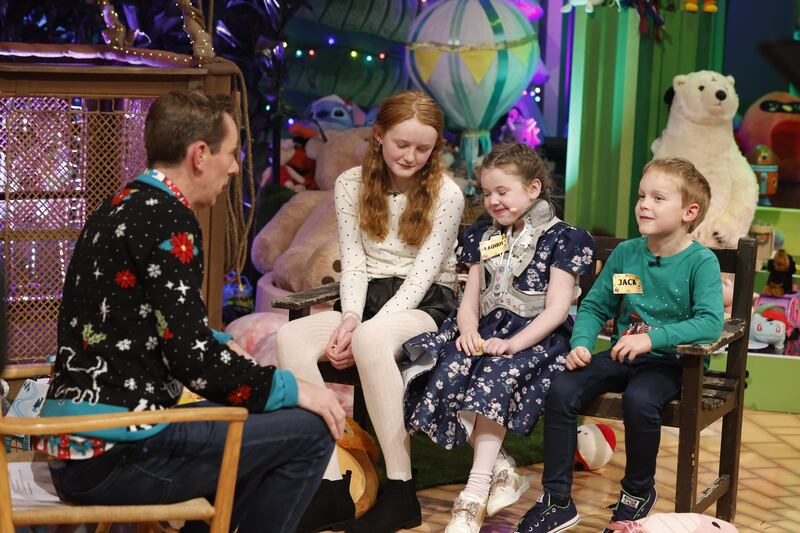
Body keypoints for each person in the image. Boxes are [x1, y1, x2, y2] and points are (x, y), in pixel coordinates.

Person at [35, 90, 345, 533]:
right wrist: (293, 388)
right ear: (200, 154)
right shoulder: (168, 219)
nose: (237, 166)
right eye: (232, 153)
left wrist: (219, 344)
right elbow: (194, 363)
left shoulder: (119, 205)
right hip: (114, 453)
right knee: (309, 431)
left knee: (252, 432)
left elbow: (133, 323)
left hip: (79, 445)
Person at [275, 90, 465, 533]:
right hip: (366, 299)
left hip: (424, 303)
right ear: (378, 136)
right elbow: (355, 265)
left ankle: (402, 491)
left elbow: (422, 277)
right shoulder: (349, 184)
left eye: (424, 148)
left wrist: (365, 331)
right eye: (403, 144)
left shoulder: (447, 193)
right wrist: (350, 319)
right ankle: (329, 487)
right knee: (290, 337)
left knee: (371, 338)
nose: (412, 156)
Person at [516, 157, 724, 533]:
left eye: (658, 198)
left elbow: (710, 323)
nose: (644, 204)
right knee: (562, 387)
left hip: (672, 365)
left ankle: (637, 493)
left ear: (689, 212)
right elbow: (596, 305)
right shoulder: (628, 255)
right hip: (620, 356)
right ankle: (557, 499)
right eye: (642, 195)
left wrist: (652, 338)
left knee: (640, 400)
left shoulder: (700, 262)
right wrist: (580, 342)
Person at [402, 144, 595, 533]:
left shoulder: (564, 239)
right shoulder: (484, 235)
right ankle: (502, 468)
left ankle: (472, 497)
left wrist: (514, 344)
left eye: (502, 191)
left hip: (539, 337)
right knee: (440, 367)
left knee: (493, 376)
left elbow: (557, 310)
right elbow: (469, 297)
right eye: (486, 192)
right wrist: (469, 329)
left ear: (534, 189)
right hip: (488, 328)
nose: (492, 201)